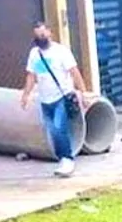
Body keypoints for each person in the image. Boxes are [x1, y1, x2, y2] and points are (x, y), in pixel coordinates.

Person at [20, 21, 88, 178]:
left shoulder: (61, 52)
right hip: (45, 99)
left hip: (61, 96)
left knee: (59, 128)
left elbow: (74, 72)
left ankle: (67, 159)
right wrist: (26, 94)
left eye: (43, 34)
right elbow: (31, 76)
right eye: (37, 36)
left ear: (50, 33)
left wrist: (83, 93)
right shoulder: (34, 54)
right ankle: (62, 158)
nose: (40, 38)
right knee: (52, 131)